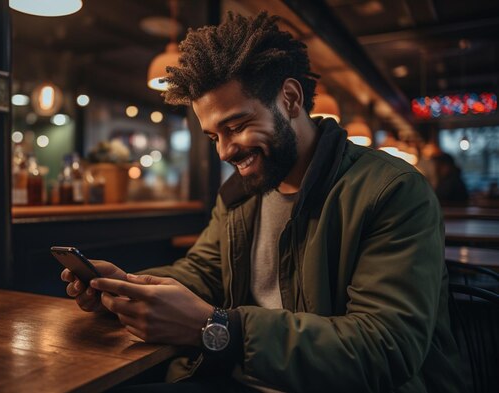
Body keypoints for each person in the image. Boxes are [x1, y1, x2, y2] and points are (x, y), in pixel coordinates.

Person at [61, 12, 465, 392]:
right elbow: (204, 271)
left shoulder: (391, 190)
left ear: (290, 98)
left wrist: (217, 327)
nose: (223, 152)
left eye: (236, 126)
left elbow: (385, 349)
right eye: (213, 136)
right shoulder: (243, 193)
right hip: (240, 376)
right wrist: (126, 287)